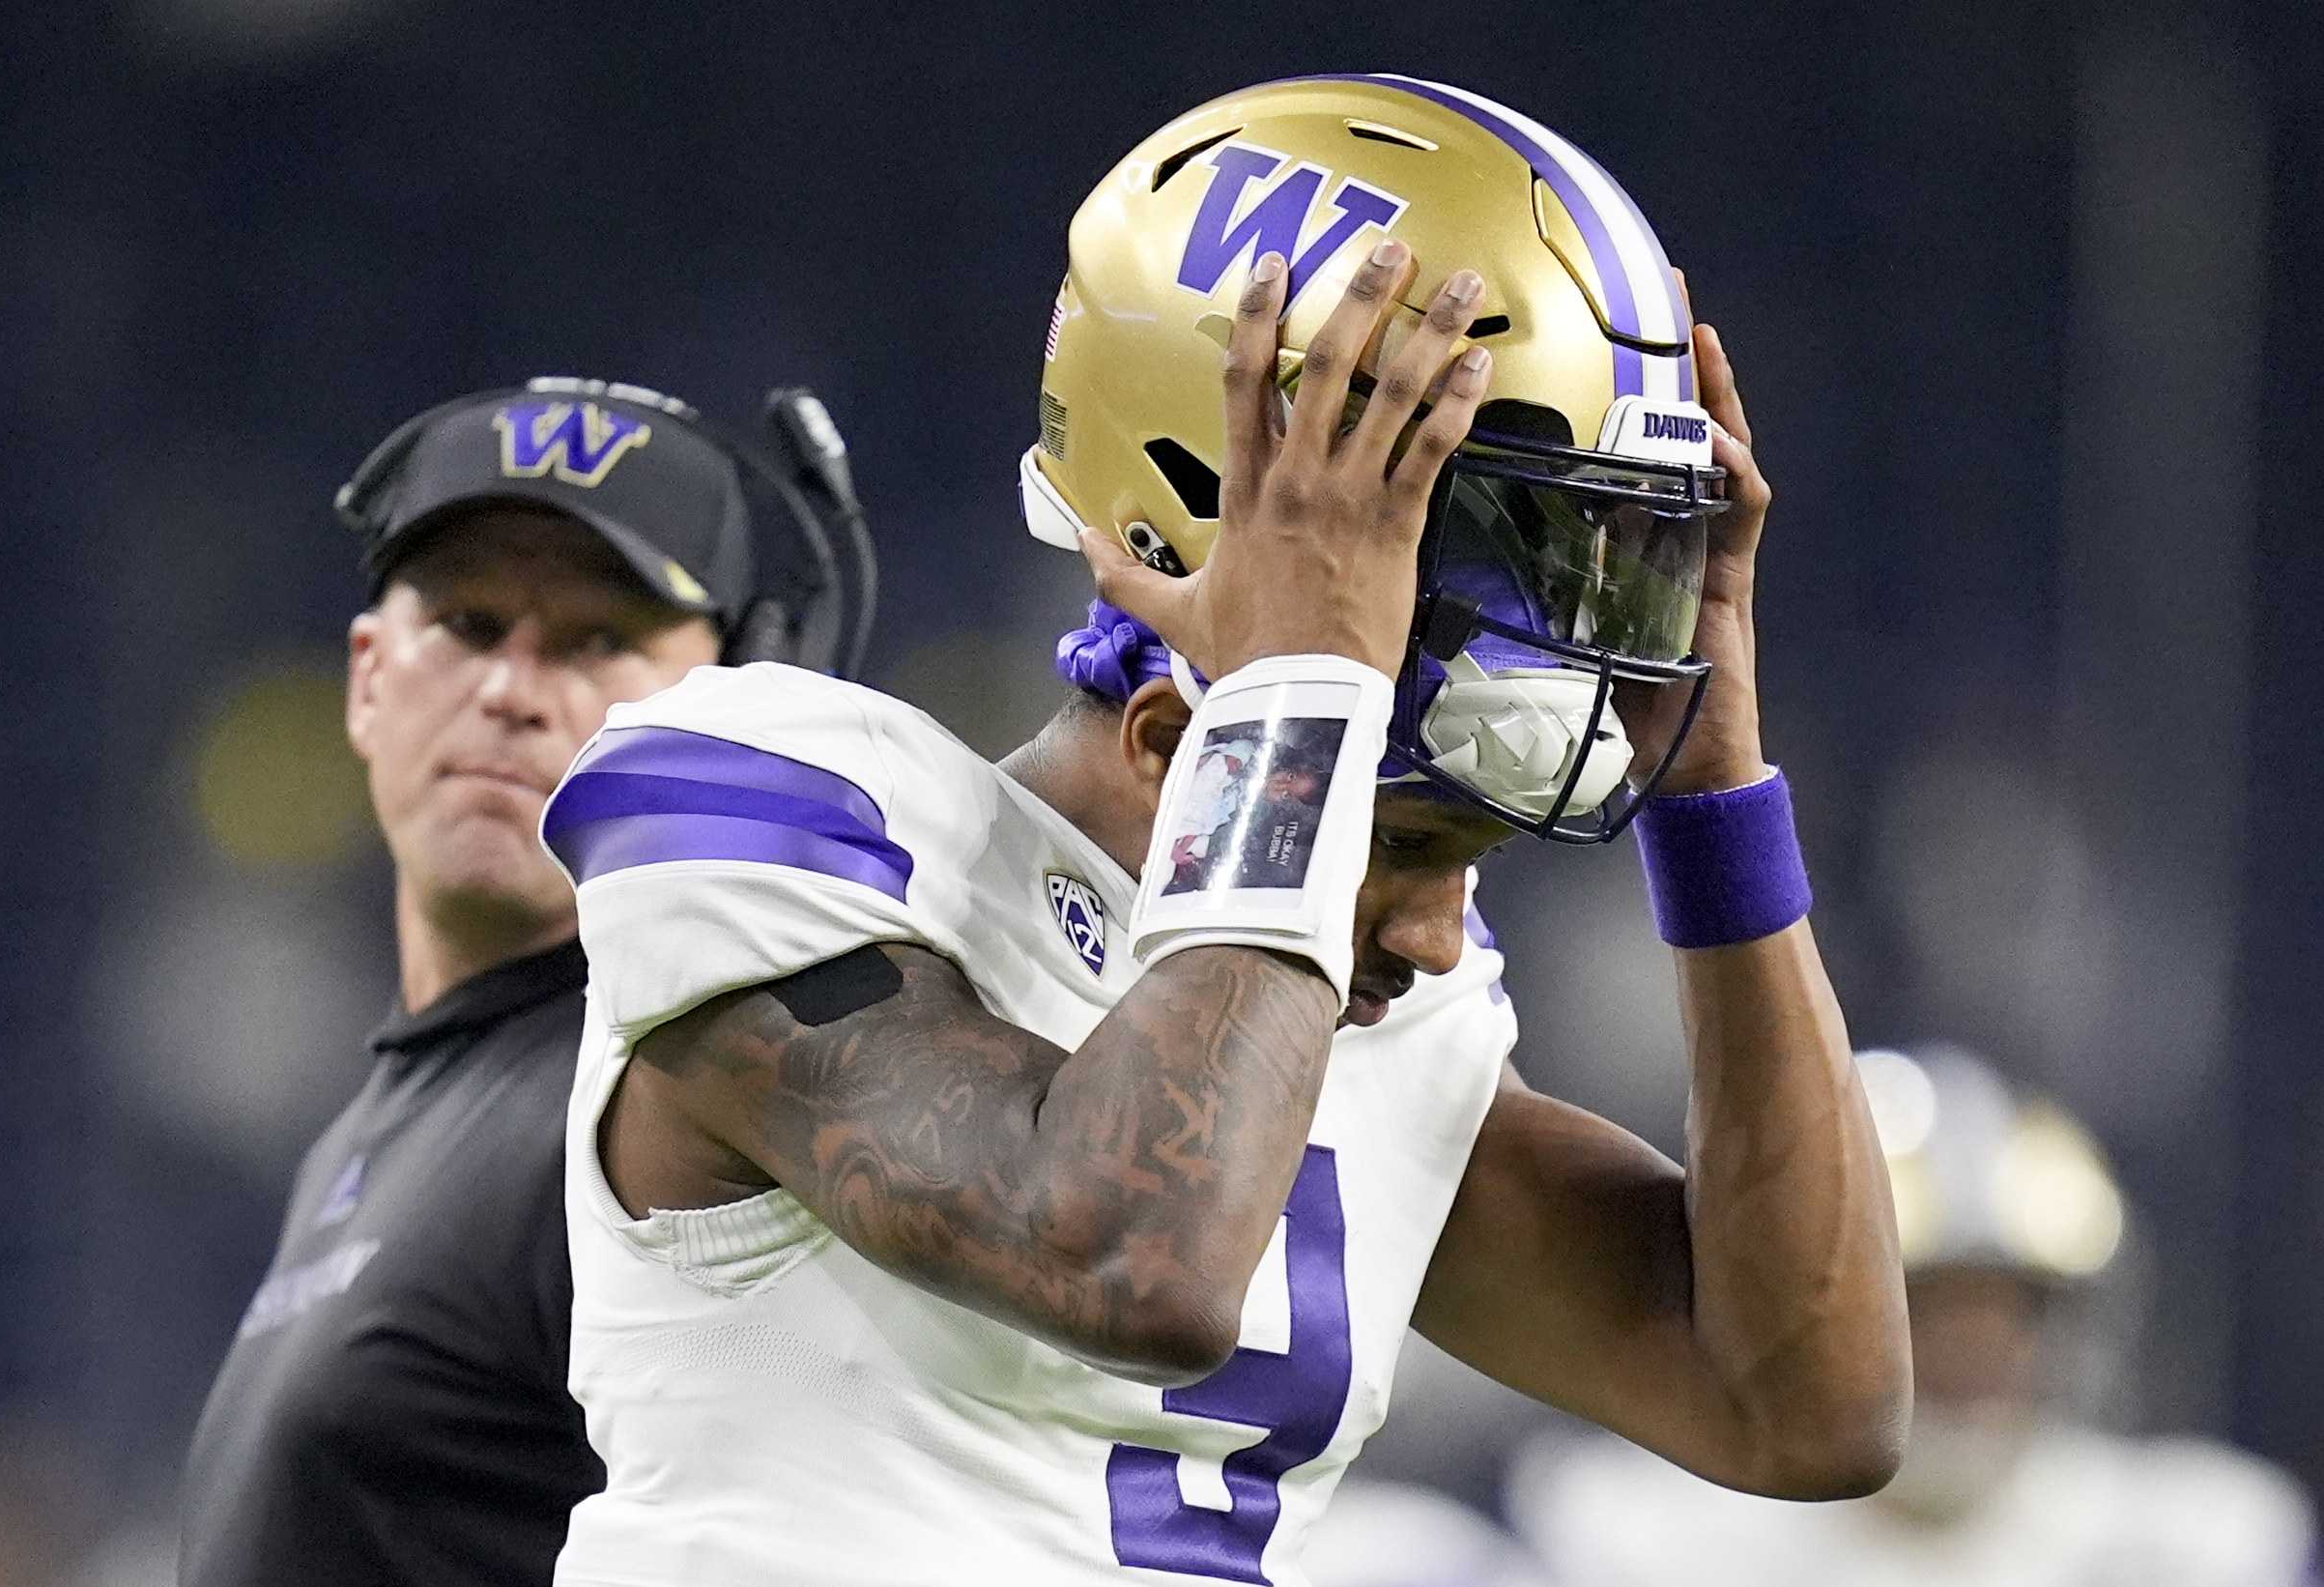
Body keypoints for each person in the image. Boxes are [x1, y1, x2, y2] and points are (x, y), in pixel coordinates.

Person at [542, 75, 1909, 1586]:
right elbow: (1127, 1253)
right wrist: (1301, 697)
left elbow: (1804, 1406)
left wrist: (1716, 797)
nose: (1441, 932)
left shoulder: (1390, 1021)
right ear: (1166, 739)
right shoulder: (778, 795)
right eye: (1401, 845)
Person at [179, 378, 854, 1586]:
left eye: (600, 638)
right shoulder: (378, 1128)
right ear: (369, 679)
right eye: (471, 625)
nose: (512, 687)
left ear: (740, 708)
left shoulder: (676, 1093)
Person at [1513, 1046, 2318, 1586]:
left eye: (2006, 1312)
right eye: (1922, 1309)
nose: (1973, 1351)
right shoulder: (1645, 1535)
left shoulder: (2184, 1540)